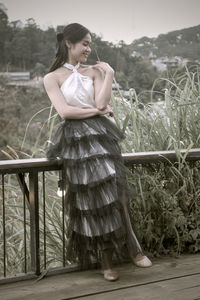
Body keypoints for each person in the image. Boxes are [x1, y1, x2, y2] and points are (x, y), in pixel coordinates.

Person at [43, 23, 152, 282]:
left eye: (91, 44)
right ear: (69, 43)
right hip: (77, 141)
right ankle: (106, 262)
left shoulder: (94, 72)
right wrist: (98, 112)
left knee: (116, 190)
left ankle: (134, 249)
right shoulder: (52, 77)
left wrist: (109, 74)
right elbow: (65, 112)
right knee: (91, 200)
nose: (88, 49)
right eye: (85, 44)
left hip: (101, 137)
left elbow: (103, 102)